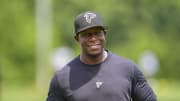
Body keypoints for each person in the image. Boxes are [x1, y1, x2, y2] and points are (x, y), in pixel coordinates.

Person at [46, 11, 157, 101]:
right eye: (87, 34)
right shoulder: (62, 78)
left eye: (97, 33)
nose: (93, 38)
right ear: (77, 39)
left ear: (105, 34)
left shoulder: (128, 69)